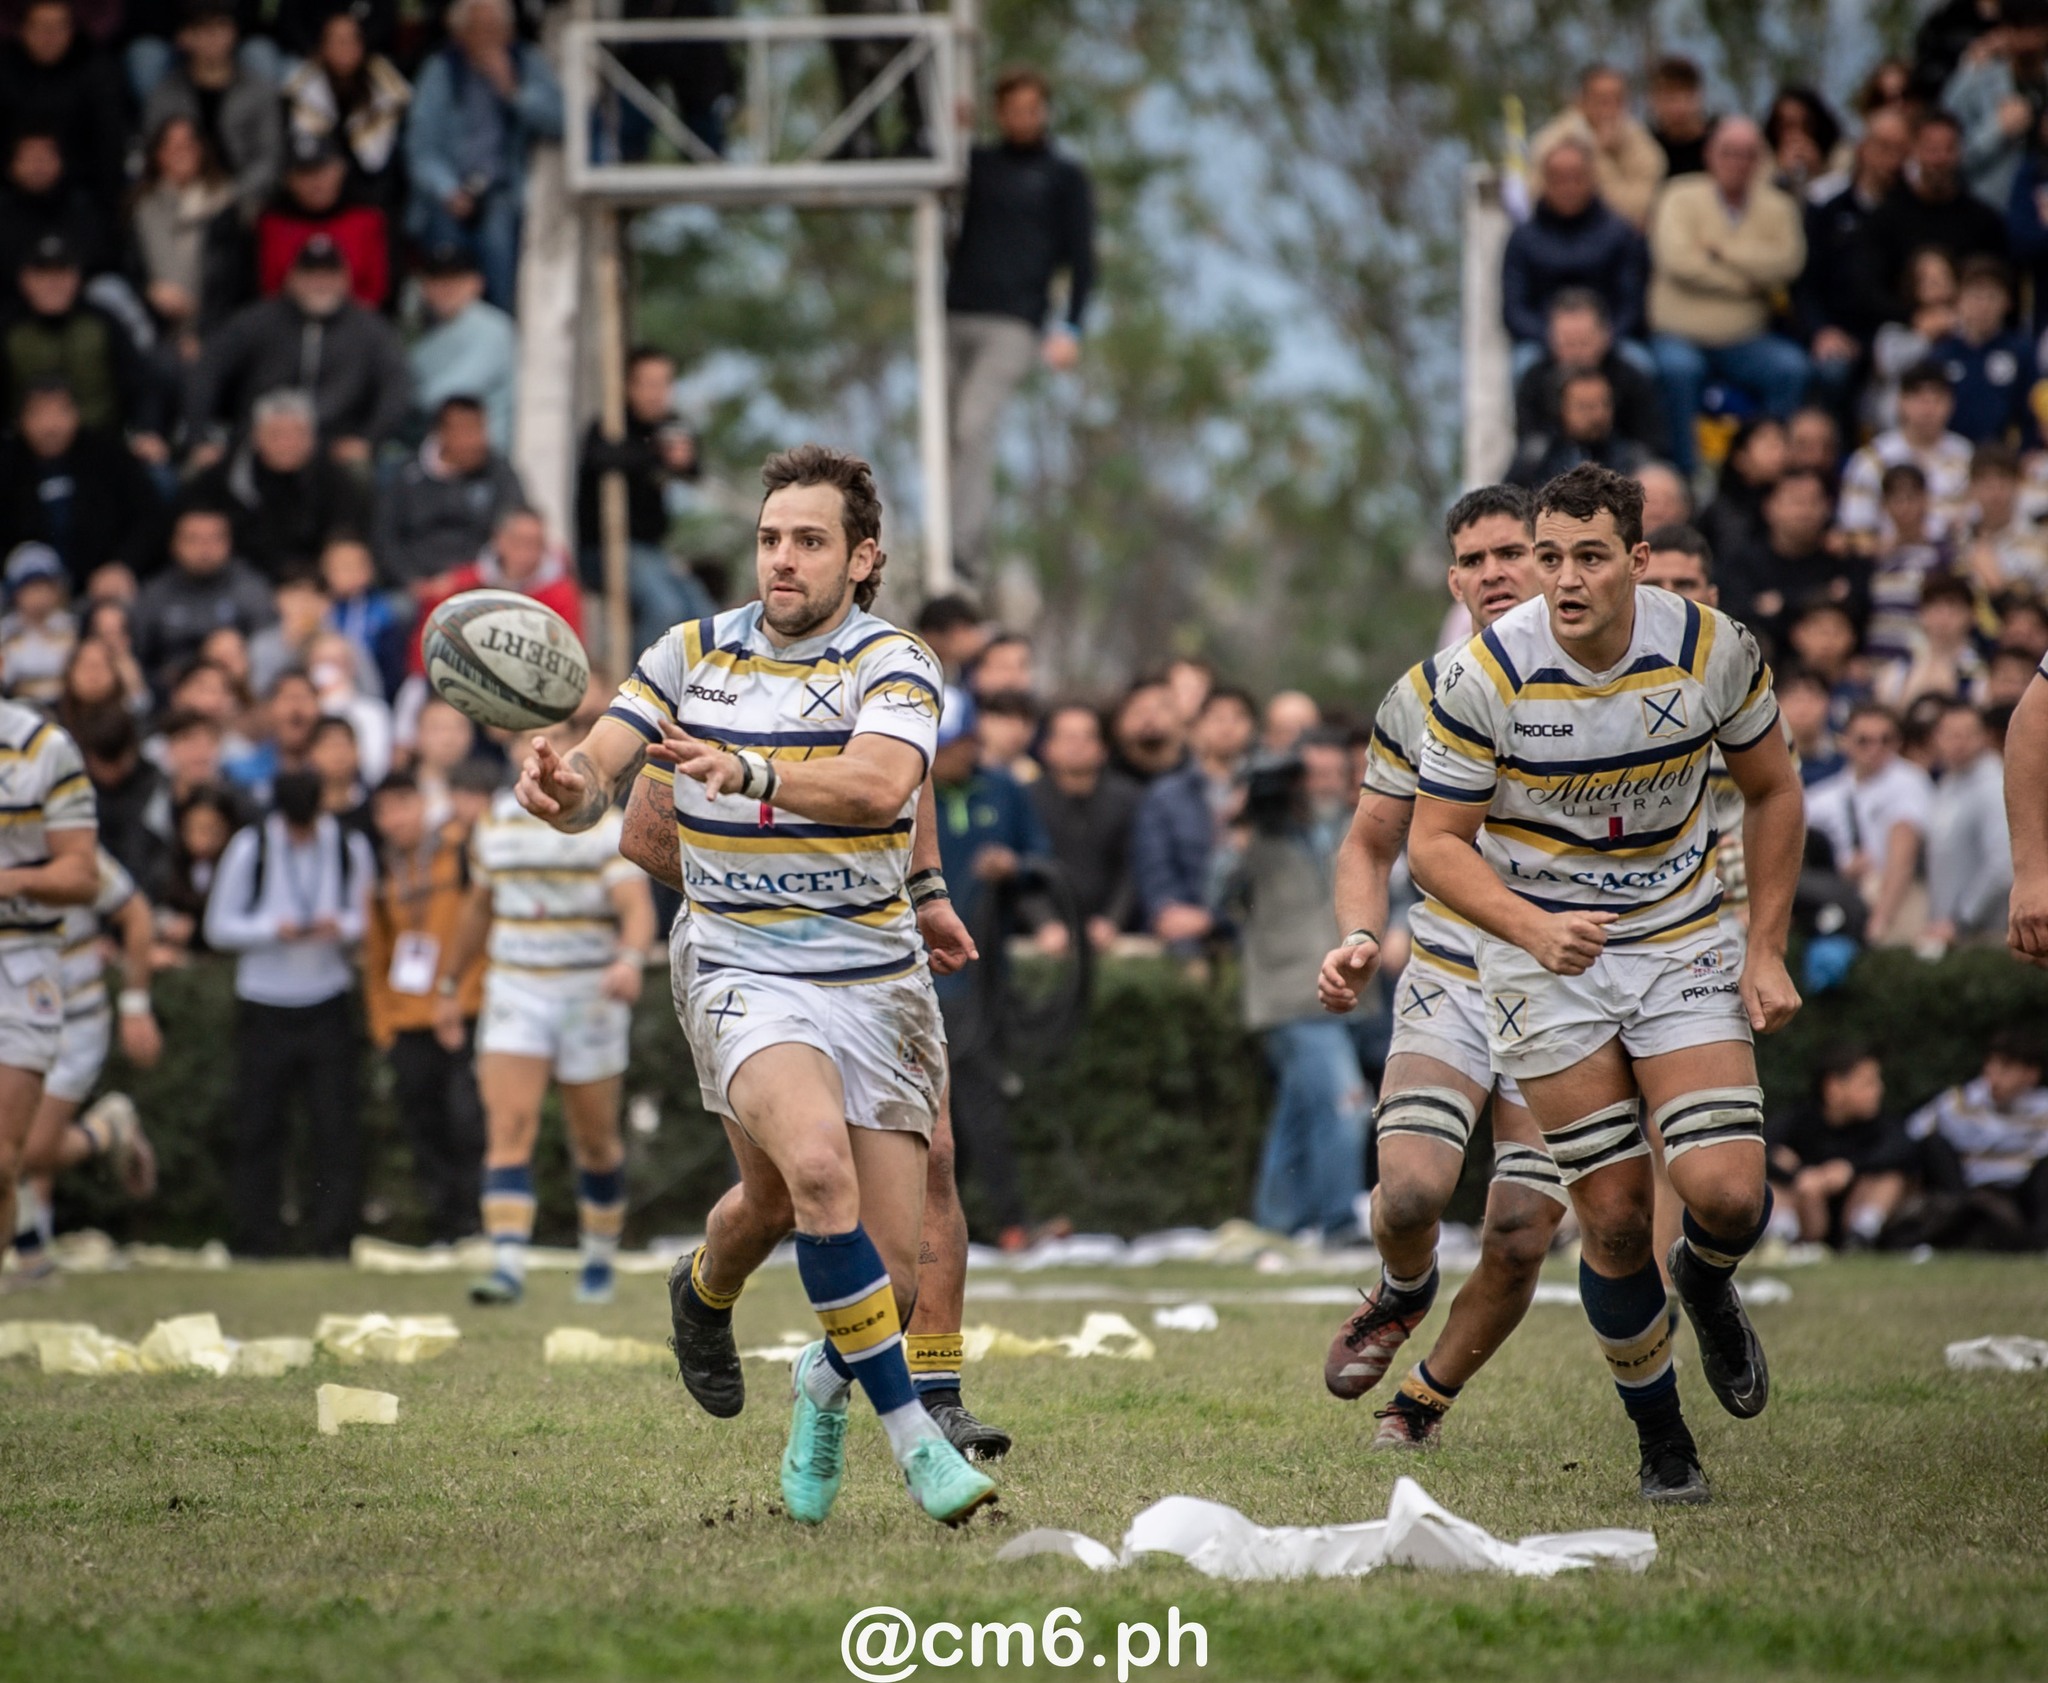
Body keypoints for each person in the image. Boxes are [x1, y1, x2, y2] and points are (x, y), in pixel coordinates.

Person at [523, 443, 997, 1525]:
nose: (781, 560)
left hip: (874, 977)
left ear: (860, 556)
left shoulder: (897, 661)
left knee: (888, 1269)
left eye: (809, 541)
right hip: (742, 962)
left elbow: (882, 782)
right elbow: (604, 768)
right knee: (815, 1176)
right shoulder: (692, 650)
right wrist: (565, 783)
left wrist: (759, 777)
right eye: (770, 538)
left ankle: (792, 1362)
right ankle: (918, 1446)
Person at [1410, 463, 1806, 1504]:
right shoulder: (1482, 675)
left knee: (1725, 1193)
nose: (1564, 578)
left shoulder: (1710, 650)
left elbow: (1771, 791)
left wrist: (1762, 947)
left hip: (1677, 936)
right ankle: (1663, 1442)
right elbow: (1434, 847)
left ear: (1638, 558)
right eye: (1548, 558)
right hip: (1541, 958)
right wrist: (1533, 929)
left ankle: (1708, 1283)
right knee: (1616, 1217)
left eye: (1589, 556)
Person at [1315, 484, 1568, 1447]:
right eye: (1477, 559)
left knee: (1518, 1230)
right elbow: (1366, 845)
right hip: (1456, 967)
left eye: (1516, 552)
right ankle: (1403, 1284)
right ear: (1453, 578)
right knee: (1412, 1191)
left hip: (1570, 985)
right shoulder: (1419, 695)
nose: (1497, 572)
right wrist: (1357, 935)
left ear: (1550, 563)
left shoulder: (1611, 681)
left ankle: (1418, 1403)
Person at [429, 708, 650, 1304]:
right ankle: (507, 1267)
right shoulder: (498, 819)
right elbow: (479, 908)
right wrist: (449, 985)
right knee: (508, 1124)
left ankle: (598, 1262)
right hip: (516, 987)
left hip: (587, 993)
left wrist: (629, 960)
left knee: (596, 1140)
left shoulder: (604, 825)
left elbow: (635, 907)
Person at [202, 767, 374, 1254]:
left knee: (335, 1126)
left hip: (328, 999)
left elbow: (365, 918)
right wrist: (269, 929)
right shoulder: (249, 847)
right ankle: (257, 1239)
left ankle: (334, 1239)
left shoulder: (346, 846)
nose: (302, 831)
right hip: (264, 1001)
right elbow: (218, 926)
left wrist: (335, 925)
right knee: (258, 1127)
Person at [945, 66, 1095, 575]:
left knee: (973, 424)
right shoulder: (979, 163)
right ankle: (952, 534)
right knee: (950, 432)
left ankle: (964, 548)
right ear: (999, 113)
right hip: (956, 312)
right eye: (1013, 110)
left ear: (1044, 112)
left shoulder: (1063, 176)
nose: (1023, 119)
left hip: (1014, 323)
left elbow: (1082, 258)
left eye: (1032, 109)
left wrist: (1071, 326)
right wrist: (953, 133)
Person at [929, 688, 1050, 1248]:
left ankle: (1006, 1222)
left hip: (982, 974)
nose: (953, 755)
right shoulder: (909, 791)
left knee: (982, 1098)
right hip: (918, 973)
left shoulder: (1004, 790)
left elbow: (1043, 862)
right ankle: (957, 1222)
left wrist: (1014, 866)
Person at [8, 846, 162, 1279]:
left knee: (27, 1149)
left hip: (72, 1021)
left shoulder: (66, 845)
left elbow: (136, 914)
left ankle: (105, 1131)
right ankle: (31, 1253)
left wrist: (135, 1004)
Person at [1645, 117, 1810, 472]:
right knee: (1677, 371)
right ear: (1709, 154)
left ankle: (1767, 469)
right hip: (1680, 334)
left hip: (1747, 338)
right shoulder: (1678, 195)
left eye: (1748, 154)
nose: (1738, 162)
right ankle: (1686, 479)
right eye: (1729, 152)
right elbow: (1680, 262)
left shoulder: (1778, 206)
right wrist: (1750, 281)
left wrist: (1720, 251)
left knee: (1792, 368)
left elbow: (1788, 262)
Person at [364, 768, 483, 1242]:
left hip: (463, 1009)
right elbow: (376, 953)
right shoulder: (380, 870)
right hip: (407, 1020)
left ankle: (480, 1222)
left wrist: (457, 996)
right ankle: (445, 1225)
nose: (396, 819)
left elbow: (480, 927)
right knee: (424, 1127)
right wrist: (383, 1025)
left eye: (404, 805)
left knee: (468, 1121)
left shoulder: (459, 854)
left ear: (422, 805)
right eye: (385, 810)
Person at [0, 694, 98, 1255]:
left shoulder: (43, 748)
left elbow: (83, 875)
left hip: (22, 955)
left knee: (5, 1158)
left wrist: (11, 881)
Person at [187, 236, 411, 468]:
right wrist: (198, 438)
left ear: (345, 278)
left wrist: (368, 439)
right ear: (292, 277)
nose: (320, 283)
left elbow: (396, 386)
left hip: (334, 448)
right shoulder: (258, 321)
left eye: (329, 274)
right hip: (258, 443)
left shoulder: (370, 330)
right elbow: (207, 368)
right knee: (201, 472)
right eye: (311, 274)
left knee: (362, 471)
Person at [404, 0, 564, 311]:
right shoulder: (441, 70)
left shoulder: (525, 61)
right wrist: (447, 189)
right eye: (478, 30)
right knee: (445, 270)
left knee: (500, 254)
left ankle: (503, 332)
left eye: (496, 30)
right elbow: (421, 147)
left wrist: (514, 91)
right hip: (449, 195)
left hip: (502, 193)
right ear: (459, 33)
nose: (487, 39)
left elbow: (561, 120)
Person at [574, 346, 714, 656]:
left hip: (652, 553)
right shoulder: (611, 424)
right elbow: (604, 457)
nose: (656, 393)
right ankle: (641, 693)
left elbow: (693, 468)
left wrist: (685, 461)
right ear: (628, 385)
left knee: (703, 613)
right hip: (604, 550)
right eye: (648, 383)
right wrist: (656, 458)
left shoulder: (670, 427)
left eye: (664, 384)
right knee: (665, 607)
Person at [187, 388, 372, 582]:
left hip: (314, 582)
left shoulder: (336, 481)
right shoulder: (222, 478)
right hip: (238, 580)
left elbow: (345, 539)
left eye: (296, 434)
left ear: (312, 437)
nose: (286, 443)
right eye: (276, 434)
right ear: (257, 436)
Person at [1501, 137, 1649, 374]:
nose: (1568, 187)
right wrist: (1555, 339)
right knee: (1523, 367)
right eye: (1558, 179)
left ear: (1592, 180)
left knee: (1640, 365)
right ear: (1545, 182)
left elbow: (1632, 304)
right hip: (1544, 342)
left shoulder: (1620, 233)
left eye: (1576, 178)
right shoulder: (1522, 239)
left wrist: (1600, 339)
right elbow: (1514, 310)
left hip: (1609, 341)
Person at [0, 382, 162, 594]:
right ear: (21, 421)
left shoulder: (109, 456)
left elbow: (149, 517)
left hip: (101, 588)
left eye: (60, 413)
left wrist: (123, 564)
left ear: (77, 415)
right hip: (22, 591)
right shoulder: (7, 463)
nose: (50, 426)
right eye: (39, 415)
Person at [1130, 685, 1256, 949]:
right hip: (1181, 929)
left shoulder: (1265, 794)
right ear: (1196, 728)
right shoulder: (1165, 795)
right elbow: (1154, 866)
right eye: (1216, 717)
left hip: (1252, 930)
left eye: (1238, 717)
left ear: (1253, 728)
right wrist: (1169, 909)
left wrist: (1215, 919)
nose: (1227, 726)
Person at [1861, 111, 2009, 332]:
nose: (1940, 159)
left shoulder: (1985, 221)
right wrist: (1913, 318)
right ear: (1914, 151)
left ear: (1959, 152)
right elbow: (1869, 289)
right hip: (1903, 333)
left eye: (1948, 149)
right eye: (1931, 150)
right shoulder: (1886, 218)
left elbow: (2001, 284)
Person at [3, 235, 156, 446]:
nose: (52, 283)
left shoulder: (103, 322)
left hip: (103, 444)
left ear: (77, 277)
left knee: (157, 472)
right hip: (24, 453)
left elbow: (142, 384)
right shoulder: (10, 329)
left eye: (61, 272)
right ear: (25, 279)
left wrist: (146, 431)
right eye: (42, 273)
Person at [140, 0, 283, 224]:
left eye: (220, 27)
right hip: (180, 199)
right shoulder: (165, 94)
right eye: (203, 30)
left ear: (234, 32)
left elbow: (269, 160)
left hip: (243, 199)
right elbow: (153, 157)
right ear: (186, 37)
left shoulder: (258, 90)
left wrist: (227, 194)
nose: (212, 37)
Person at [1902, 1031, 2048, 1248]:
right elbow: (1912, 1133)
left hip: (2020, 1195)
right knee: (1933, 1145)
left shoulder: (2043, 1109)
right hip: (1963, 1192)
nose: (1994, 1076)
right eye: (1990, 1065)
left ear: (2031, 1074)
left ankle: (2040, 1240)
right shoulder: (1961, 1101)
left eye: (2005, 1068)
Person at [1805, 701, 1933, 947]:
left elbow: (1903, 853)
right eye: (1864, 741)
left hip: (1895, 897)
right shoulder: (1827, 794)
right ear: (1844, 742)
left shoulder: (1909, 780)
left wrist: (1881, 918)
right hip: (1843, 896)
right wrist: (1840, 867)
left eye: (1886, 740)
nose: (1876, 749)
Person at [124, 115, 248, 364]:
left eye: (188, 145)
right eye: (171, 146)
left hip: (214, 332)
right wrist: (150, 292)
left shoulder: (224, 207)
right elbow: (128, 269)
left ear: (202, 151)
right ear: (157, 154)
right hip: (152, 330)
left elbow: (234, 285)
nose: (180, 153)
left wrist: (201, 334)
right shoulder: (140, 208)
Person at [1765, 1044, 1912, 1248]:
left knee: (1889, 1178)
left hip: (1852, 1211)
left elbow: (1904, 1149)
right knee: (1776, 1177)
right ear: (1833, 1088)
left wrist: (1850, 1168)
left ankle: (1862, 1235)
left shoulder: (1881, 1124)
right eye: (1868, 1083)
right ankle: (1780, 1236)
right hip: (1808, 1215)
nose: (1879, 1090)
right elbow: (1761, 1148)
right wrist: (1800, 1176)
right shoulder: (1800, 1119)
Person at [408, 507, 580, 677]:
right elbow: (430, 644)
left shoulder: (561, 593)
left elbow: (569, 656)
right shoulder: (463, 586)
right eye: (519, 541)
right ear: (499, 540)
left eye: (536, 543)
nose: (527, 553)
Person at [377, 395, 528, 588]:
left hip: (480, 584)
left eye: (480, 429)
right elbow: (386, 538)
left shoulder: (500, 473)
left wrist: (467, 578)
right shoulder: (405, 476)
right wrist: (411, 581)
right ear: (441, 433)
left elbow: (514, 532)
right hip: (414, 588)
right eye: (465, 431)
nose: (476, 440)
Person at [130, 503, 277, 693]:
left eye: (214, 539)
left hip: (239, 692)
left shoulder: (251, 587)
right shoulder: (154, 593)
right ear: (174, 544)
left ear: (229, 543)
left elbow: (268, 650)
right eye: (194, 539)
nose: (204, 548)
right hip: (168, 697)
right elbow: (139, 656)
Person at [0, 0, 130, 215]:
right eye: (40, 27)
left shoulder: (96, 69)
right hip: (9, 188)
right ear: (23, 30)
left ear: (72, 31)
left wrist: (62, 169)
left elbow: (109, 145)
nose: (49, 36)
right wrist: (16, 166)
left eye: (58, 27)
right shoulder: (5, 69)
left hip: (79, 190)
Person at [1028, 699, 1138, 946]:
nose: (1077, 746)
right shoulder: (1027, 799)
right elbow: (1023, 866)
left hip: (1113, 932)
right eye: (1067, 737)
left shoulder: (1127, 800)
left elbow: (1132, 868)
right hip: (1040, 935)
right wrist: (1043, 922)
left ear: (1103, 748)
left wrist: (1113, 920)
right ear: (1047, 747)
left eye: (1086, 737)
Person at [1513, 290, 1668, 458]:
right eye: (1568, 343)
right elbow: (1527, 442)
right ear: (1551, 339)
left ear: (1606, 336)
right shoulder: (1535, 378)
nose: (1576, 353)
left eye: (1584, 342)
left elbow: (1652, 442)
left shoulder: (1631, 376)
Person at [280, 9, 411, 206]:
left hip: (376, 185)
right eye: (336, 40)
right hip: (321, 188)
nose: (344, 47)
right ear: (322, 46)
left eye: (351, 40)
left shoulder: (386, 88)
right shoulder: (302, 90)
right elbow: (303, 151)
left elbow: (381, 161)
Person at [255, 131, 390, 309]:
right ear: (288, 180)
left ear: (341, 170)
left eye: (323, 171)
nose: (316, 183)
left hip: (358, 326)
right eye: (304, 174)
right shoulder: (272, 224)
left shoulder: (367, 219)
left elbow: (378, 290)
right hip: (285, 328)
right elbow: (265, 290)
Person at [1530, 64, 1667, 230]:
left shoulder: (1642, 144)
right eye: (1601, 99)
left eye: (1617, 99)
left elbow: (1643, 206)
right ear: (1581, 101)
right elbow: (1542, 199)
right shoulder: (1552, 142)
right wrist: (1597, 153)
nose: (1609, 108)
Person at [1923, 698, 2012, 951]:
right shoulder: (1948, 784)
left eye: (1968, 734)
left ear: (1984, 737)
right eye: (1951, 734)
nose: (1959, 743)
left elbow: (2002, 866)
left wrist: (1962, 917)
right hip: (1950, 932)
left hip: (1988, 934)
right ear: (1936, 738)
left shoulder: (1994, 786)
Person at [408, 243, 515, 450]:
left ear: (477, 283)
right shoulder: (426, 341)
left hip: (488, 459)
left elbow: (452, 394)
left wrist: (402, 401)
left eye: (456, 279)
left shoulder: (493, 328)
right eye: (437, 280)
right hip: (439, 457)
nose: (446, 288)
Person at [1944, 1, 2048, 209]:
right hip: (1989, 214)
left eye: (2035, 28)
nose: (2028, 40)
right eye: (2019, 27)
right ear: (2003, 30)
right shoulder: (1974, 81)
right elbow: (1945, 158)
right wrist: (1997, 130)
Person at [1929, 255, 2035, 444]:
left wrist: (2027, 450)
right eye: (1976, 296)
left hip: (2003, 459)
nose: (1983, 306)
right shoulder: (1940, 354)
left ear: (2007, 303)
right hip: (1952, 456)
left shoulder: (2021, 352)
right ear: (1959, 300)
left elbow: (2032, 412)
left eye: (1992, 297)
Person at [1507, 367, 1651, 487]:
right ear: (1561, 409)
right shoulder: (1536, 457)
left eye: (1605, 404)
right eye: (1586, 407)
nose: (1598, 415)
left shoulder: (1632, 459)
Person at [0, 540, 76, 704]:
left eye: (45, 586)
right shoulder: (5, 630)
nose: (39, 595)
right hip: (18, 708)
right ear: (15, 592)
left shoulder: (73, 626)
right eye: (31, 587)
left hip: (66, 710)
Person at [1645, 54, 1711, 179]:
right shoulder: (1646, 148)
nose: (1676, 108)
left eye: (1684, 98)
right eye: (1669, 98)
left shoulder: (1717, 148)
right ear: (1653, 100)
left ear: (1698, 97)